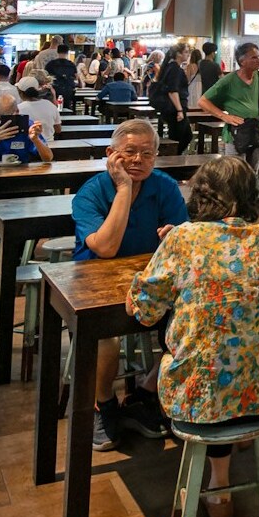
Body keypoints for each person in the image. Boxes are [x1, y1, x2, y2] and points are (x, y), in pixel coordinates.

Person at [128, 157, 259, 517]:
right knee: (236, 356)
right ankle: (242, 438)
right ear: (249, 195)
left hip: (203, 397)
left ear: (200, 195)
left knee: (208, 366)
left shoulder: (182, 238)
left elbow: (145, 309)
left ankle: (219, 486)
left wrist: (169, 253)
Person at [73, 120, 191, 450]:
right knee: (105, 339)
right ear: (111, 155)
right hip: (95, 281)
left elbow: (185, 239)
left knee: (192, 323)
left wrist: (175, 237)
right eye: (129, 153)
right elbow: (106, 248)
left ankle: (145, 394)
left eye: (147, 154)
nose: (138, 160)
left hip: (150, 280)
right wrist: (123, 188)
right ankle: (104, 404)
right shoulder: (92, 192)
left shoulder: (164, 187)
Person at [198, 42, 259, 175]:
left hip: (255, 132)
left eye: (258, 57)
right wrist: (224, 116)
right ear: (242, 61)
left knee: (253, 173)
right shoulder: (229, 80)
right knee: (234, 174)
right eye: (254, 57)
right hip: (235, 135)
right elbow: (202, 101)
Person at [0, 91, 53, 167]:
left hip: (21, 174)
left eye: (6, 119)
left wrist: (36, 140)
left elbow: (48, 158)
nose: (1, 124)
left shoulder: (26, 125)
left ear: (16, 112)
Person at [148, 43, 194, 154]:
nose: (188, 55)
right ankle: (171, 158)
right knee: (181, 136)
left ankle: (172, 157)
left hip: (170, 107)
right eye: (186, 52)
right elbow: (172, 91)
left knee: (181, 135)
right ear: (178, 54)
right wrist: (179, 110)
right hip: (174, 108)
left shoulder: (170, 66)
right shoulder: (175, 69)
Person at [16, 78, 62, 143]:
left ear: (20, 92)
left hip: (28, 145)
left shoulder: (18, 108)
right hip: (49, 144)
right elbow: (58, 129)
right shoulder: (50, 105)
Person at [45, 44, 79, 109]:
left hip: (55, 89)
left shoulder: (51, 64)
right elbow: (76, 77)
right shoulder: (71, 64)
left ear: (57, 51)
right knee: (67, 107)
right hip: (68, 89)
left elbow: (46, 77)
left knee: (55, 108)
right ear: (67, 52)